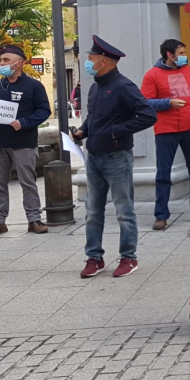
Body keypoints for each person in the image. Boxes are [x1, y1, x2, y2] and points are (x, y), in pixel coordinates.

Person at [71, 36, 157, 279]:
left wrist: (115, 131)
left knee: (123, 210)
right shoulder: (96, 86)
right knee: (93, 211)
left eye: (90, 59)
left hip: (117, 157)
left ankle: (129, 257)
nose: (87, 63)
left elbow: (148, 116)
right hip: (94, 157)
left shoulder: (123, 86)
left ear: (104, 61)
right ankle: (94, 257)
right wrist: (82, 132)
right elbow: (94, 118)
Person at [0, 45, 51, 238]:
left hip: (23, 142)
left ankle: (34, 219)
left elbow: (44, 110)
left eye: (6, 60)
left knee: (28, 182)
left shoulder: (34, 86)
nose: (1, 64)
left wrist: (25, 122)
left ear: (19, 63)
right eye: (1, 61)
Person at [141, 39, 190, 231]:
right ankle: (161, 215)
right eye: (180, 53)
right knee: (163, 174)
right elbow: (145, 102)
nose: (184, 56)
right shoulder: (152, 75)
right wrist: (168, 103)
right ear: (169, 55)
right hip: (166, 131)